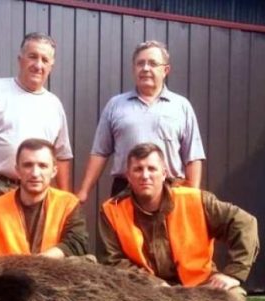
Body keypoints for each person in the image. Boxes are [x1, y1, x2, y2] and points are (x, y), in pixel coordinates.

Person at [99, 143, 258, 300]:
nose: (145, 175)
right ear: (128, 176)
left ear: (164, 173)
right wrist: (152, 283)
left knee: (232, 298)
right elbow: (113, 262)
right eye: (138, 169)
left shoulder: (196, 200)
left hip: (200, 284)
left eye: (152, 169)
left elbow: (245, 224)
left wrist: (233, 273)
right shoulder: (112, 210)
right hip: (144, 289)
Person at [77, 40, 205, 201]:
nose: (145, 68)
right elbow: (100, 152)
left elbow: (193, 156)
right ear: (134, 69)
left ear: (166, 70)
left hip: (171, 191)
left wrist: (193, 196)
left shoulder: (181, 106)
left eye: (152, 63)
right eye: (140, 63)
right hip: (125, 191)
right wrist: (84, 191)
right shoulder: (115, 105)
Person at [0, 32, 72, 215]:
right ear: (20, 59)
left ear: (51, 66)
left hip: (39, 195)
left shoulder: (54, 105)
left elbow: (62, 155)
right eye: (33, 56)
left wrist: (64, 200)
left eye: (45, 60)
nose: (38, 65)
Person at [0, 138, 88, 259]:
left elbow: (77, 243)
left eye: (43, 166)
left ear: (54, 171)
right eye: (28, 165)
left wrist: (40, 261)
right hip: (5, 271)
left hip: (56, 270)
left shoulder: (68, 205)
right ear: (17, 170)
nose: (35, 173)